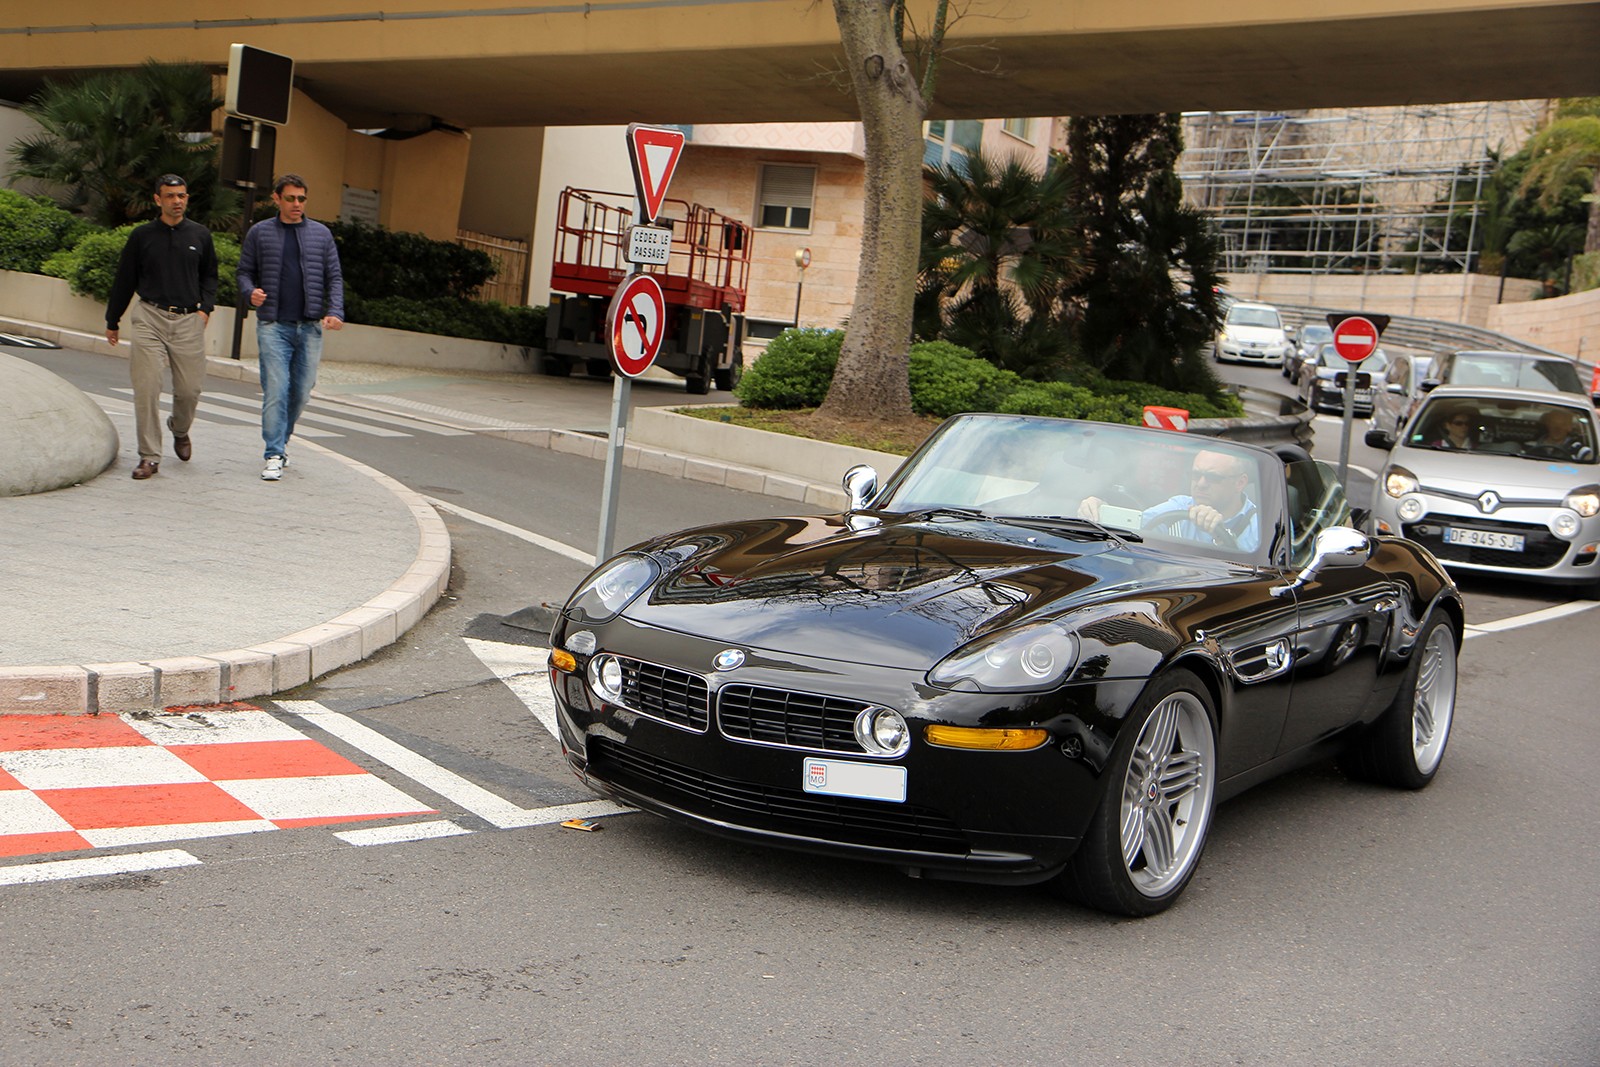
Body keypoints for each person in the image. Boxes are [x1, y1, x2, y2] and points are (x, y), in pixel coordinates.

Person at [104, 174, 219, 480]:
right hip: (149, 316)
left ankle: (179, 429)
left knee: (189, 390)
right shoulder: (142, 236)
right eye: (170, 196)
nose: (177, 201)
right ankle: (150, 456)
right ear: (158, 200)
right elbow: (125, 279)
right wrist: (112, 320)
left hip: (188, 320)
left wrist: (205, 310)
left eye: (182, 195)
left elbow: (210, 276)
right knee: (147, 387)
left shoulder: (200, 235)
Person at [237, 173, 345, 482]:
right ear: (277, 199)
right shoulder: (260, 233)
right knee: (276, 389)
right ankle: (273, 453)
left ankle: (281, 442)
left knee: (301, 392)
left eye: (301, 199)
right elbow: (244, 271)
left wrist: (335, 310)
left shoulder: (321, 235)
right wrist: (250, 292)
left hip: (310, 327)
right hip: (273, 325)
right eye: (290, 198)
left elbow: (334, 277)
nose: (297, 204)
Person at [1080, 448, 1261, 551]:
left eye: (1213, 478)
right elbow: (1135, 525)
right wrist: (1100, 509)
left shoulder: (1261, 526)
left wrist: (1223, 539)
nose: (1201, 484)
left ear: (1240, 482)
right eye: (1195, 475)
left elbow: (1263, 576)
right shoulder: (1180, 506)